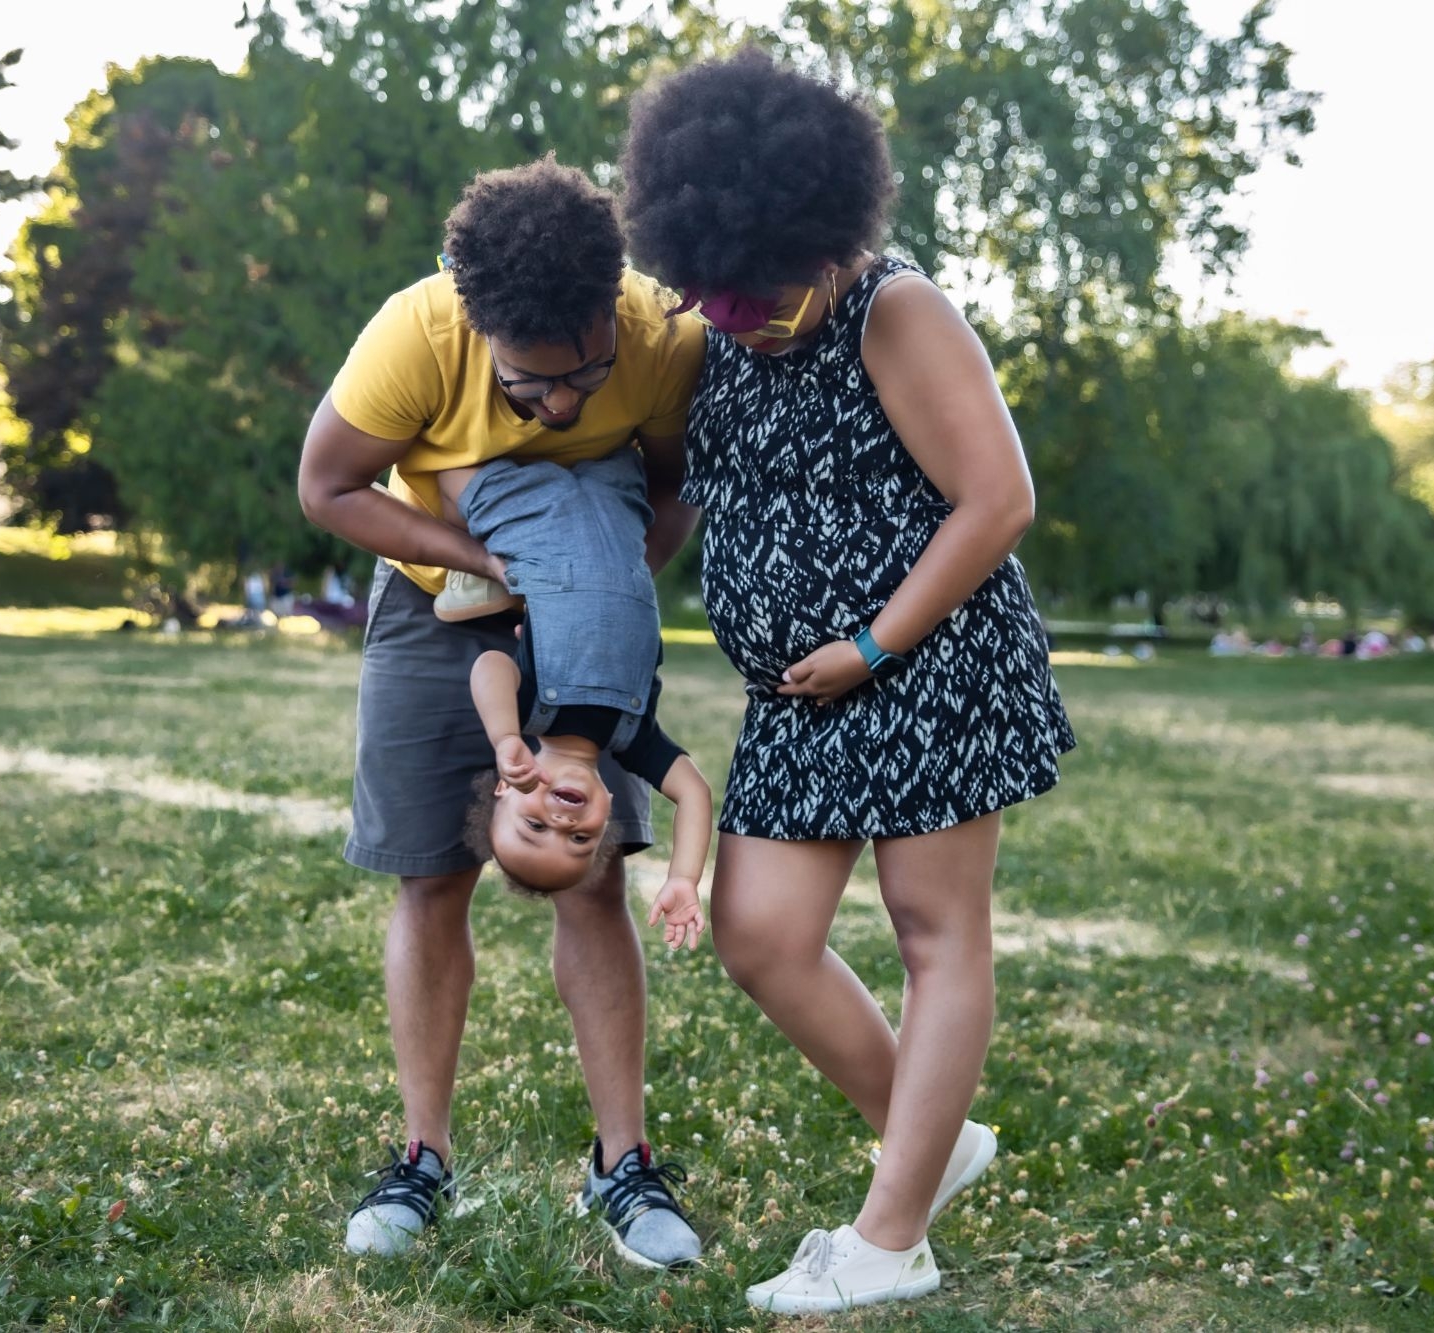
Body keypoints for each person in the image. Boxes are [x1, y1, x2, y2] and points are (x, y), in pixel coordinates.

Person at [622, 51, 1076, 1314]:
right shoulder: (715, 321)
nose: (740, 315)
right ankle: (936, 1139)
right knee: (761, 932)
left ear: (825, 241)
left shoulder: (895, 312)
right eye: (716, 298)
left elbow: (998, 500)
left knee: (936, 936)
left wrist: (873, 643)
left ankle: (889, 1239)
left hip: (927, 664)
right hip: (796, 693)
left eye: (763, 293)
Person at [296, 156, 708, 1270]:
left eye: (584, 375)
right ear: (477, 328)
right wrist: (478, 566)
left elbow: (672, 483)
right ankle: (422, 1155)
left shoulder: (661, 334)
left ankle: (622, 1164)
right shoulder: (417, 333)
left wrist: (608, 599)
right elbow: (326, 486)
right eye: (531, 389)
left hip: (588, 603)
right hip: (439, 598)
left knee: (594, 871)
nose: (562, 406)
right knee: (431, 872)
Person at [437, 454, 712, 941]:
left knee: (445, 465)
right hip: (616, 506)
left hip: (526, 522)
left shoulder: (528, 716)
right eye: (580, 838)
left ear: (505, 789)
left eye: (535, 827)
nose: (561, 821)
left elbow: (490, 667)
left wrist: (504, 738)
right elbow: (694, 794)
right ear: (607, 811)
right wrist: (684, 876)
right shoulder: (635, 741)